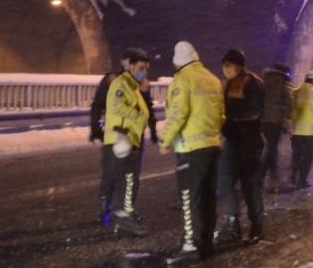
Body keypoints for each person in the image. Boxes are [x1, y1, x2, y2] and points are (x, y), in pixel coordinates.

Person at [159, 41, 225, 265]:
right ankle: (205, 245)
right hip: (212, 147)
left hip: (190, 149)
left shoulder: (182, 80)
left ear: (178, 63)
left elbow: (178, 113)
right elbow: (221, 114)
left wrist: (164, 139)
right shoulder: (214, 80)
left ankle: (190, 246)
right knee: (207, 198)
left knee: (190, 199)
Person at [89, 47, 158, 224]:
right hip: (118, 135)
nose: (143, 71)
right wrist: (95, 128)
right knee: (111, 172)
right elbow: (98, 105)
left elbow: (147, 106)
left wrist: (152, 128)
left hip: (135, 136)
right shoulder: (112, 80)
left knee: (132, 175)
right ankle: (104, 208)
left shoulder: (140, 83)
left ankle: (127, 210)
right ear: (125, 62)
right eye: (133, 62)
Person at [214, 48, 266, 247]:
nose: (225, 69)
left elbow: (256, 111)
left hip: (249, 141)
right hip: (232, 141)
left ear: (239, 65)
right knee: (224, 182)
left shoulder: (253, 83)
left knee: (249, 186)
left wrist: (236, 123)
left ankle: (257, 227)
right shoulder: (226, 84)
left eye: (229, 64)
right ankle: (232, 225)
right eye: (224, 65)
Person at [104, 52, 151, 235]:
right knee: (128, 180)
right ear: (131, 67)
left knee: (130, 180)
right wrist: (139, 115)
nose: (144, 72)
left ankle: (125, 214)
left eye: (147, 69)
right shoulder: (122, 84)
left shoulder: (133, 86)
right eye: (141, 68)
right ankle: (124, 217)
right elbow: (118, 105)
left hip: (129, 140)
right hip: (121, 140)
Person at [289, 71, 313, 188]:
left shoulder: (294, 92)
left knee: (296, 154)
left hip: (296, 131)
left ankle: (292, 178)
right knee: (307, 156)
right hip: (311, 132)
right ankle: (302, 180)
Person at [261, 62, 293, 193]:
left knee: (270, 149)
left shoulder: (264, 81)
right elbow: (290, 102)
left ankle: (271, 179)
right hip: (276, 121)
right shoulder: (283, 83)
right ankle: (267, 179)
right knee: (272, 150)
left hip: (264, 120)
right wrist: (286, 118)